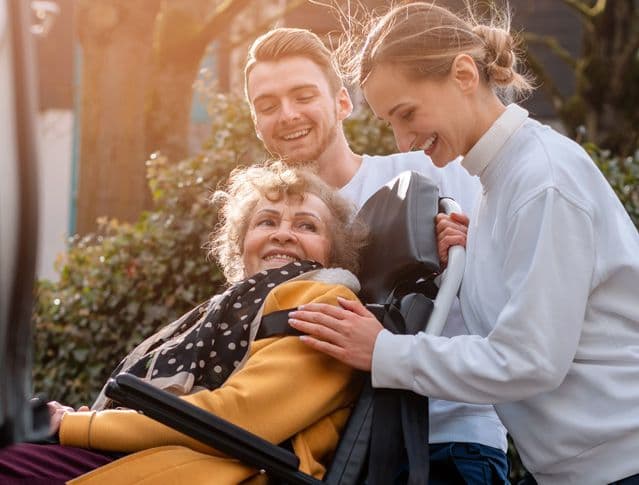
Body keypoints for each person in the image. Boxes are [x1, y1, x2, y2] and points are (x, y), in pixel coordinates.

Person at [285, 3, 639, 484]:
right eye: (390, 121)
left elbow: (529, 360)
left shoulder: (542, 180)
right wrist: (476, 257)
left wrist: (385, 351)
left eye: (406, 113)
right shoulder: (499, 187)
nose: (403, 140)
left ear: (464, 73)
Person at [244, 27, 509, 483]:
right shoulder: (271, 226)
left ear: (343, 103)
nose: (287, 115)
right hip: (332, 457)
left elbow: (511, 291)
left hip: (444, 441)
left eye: (303, 95)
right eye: (267, 105)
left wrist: (466, 256)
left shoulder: (427, 172)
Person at [0, 161, 368, 485]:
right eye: (266, 221)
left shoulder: (325, 301)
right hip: (166, 456)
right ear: (242, 246)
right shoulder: (231, 308)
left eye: (306, 225)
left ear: (332, 253)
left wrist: (76, 426)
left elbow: (239, 416)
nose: (283, 233)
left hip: (225, 469)